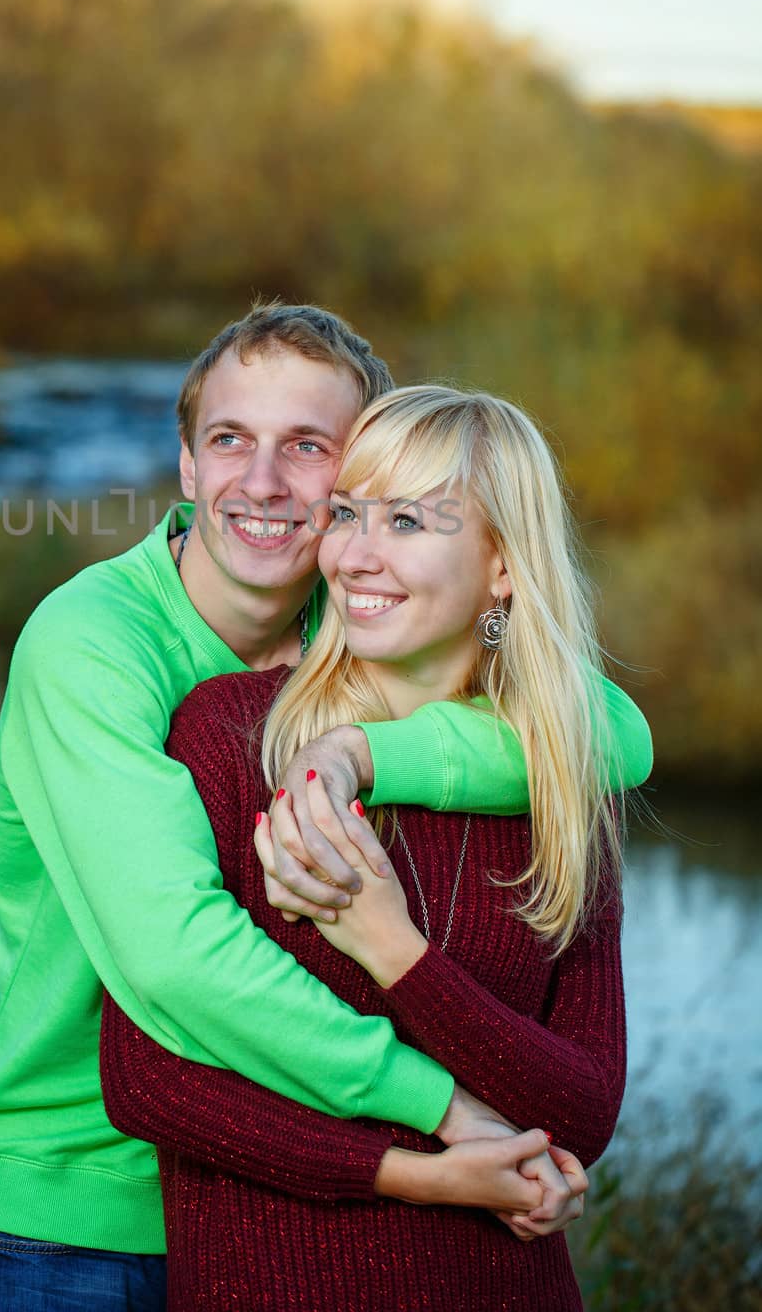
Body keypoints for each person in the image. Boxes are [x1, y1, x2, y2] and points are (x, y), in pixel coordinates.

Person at [0, 307, 651, 1310]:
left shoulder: (349, 625)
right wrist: (438, 1107)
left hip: (253, 1209)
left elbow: (611, 732)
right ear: (184, 466)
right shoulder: (92, 645)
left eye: (306, 449)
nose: (261, 484)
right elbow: (178, 957)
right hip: (57, 1207)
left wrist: (359, 751)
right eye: (229, 441)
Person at [100, 383, 630, 1311]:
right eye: (346, 513)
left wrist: (392, 949)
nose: (354, 553)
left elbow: (582, 1112)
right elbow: (148, 1082)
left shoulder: (560, 779)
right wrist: (416, 1169)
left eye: (408, 521)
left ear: (501, 566)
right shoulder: (231, 737)